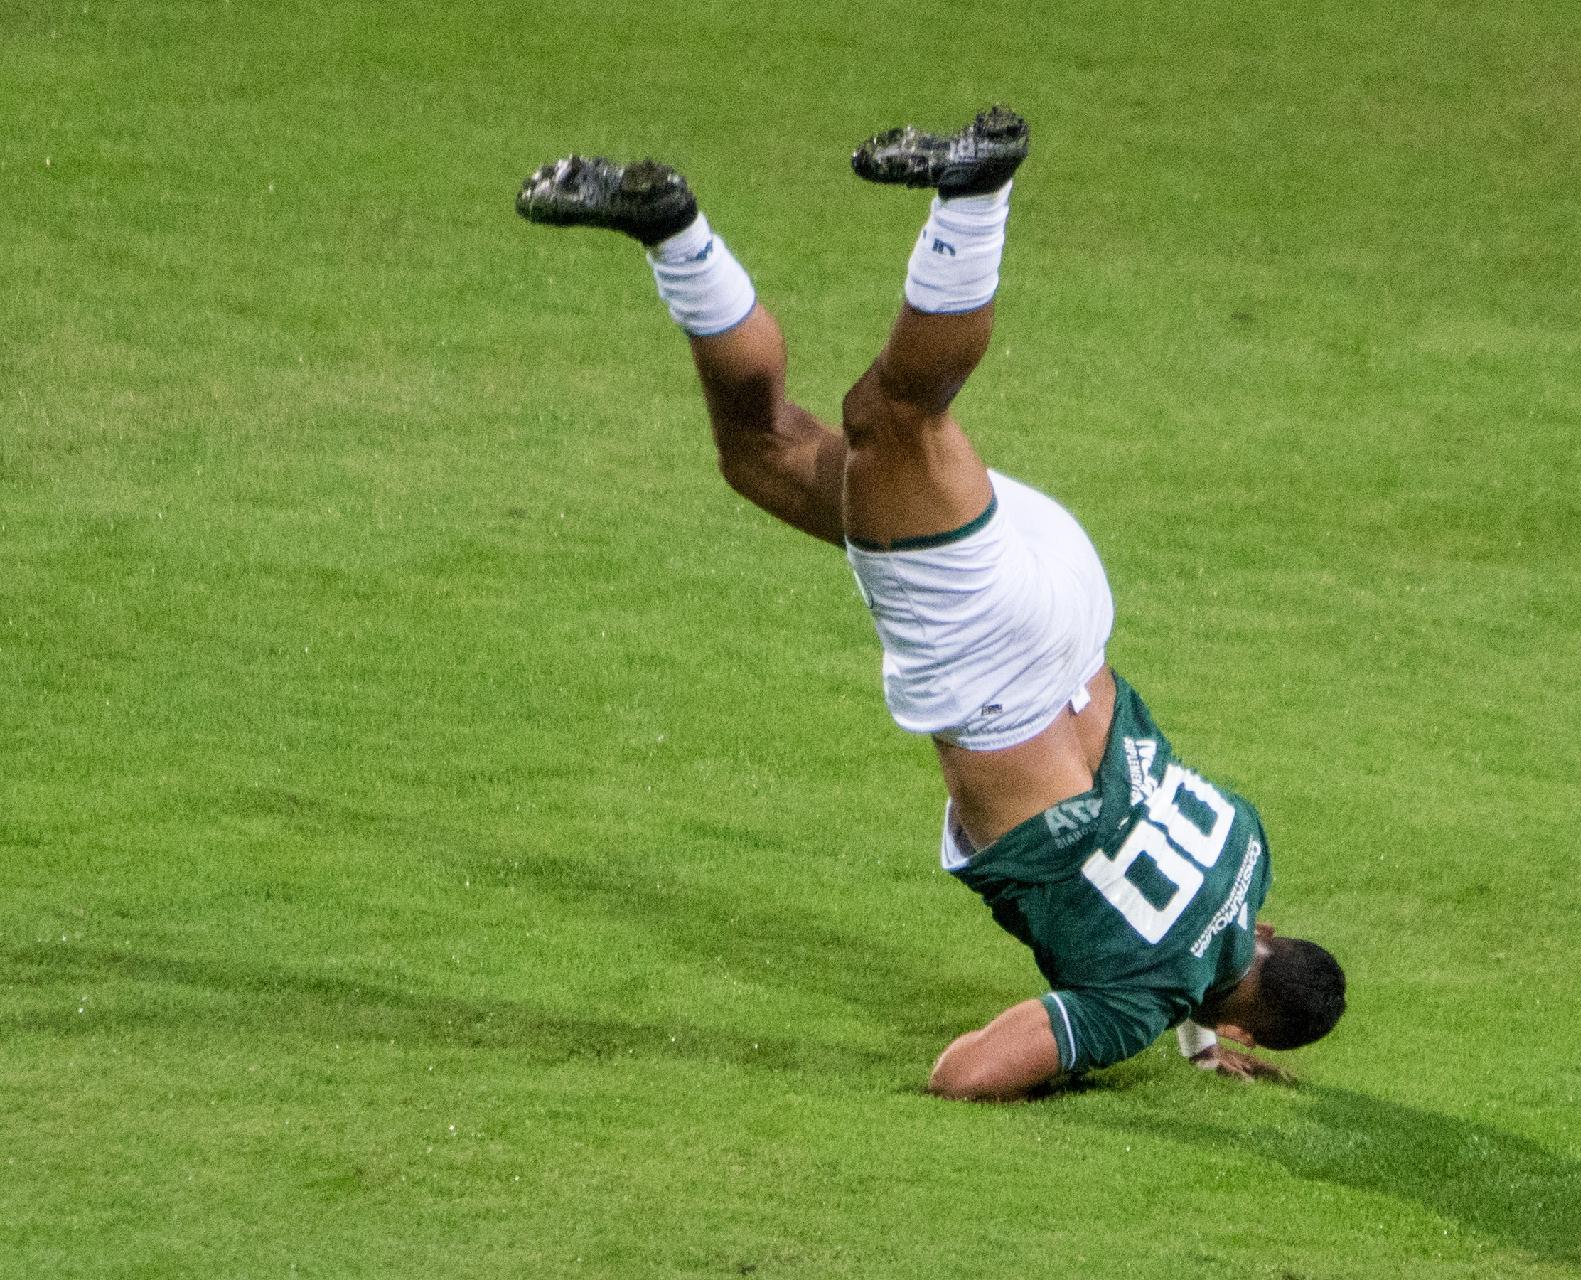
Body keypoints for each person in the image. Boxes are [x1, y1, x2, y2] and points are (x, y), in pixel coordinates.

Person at [515, 106, 1346, 1101]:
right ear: (1242, 1015)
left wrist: (1198, 1030)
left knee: (766, 454)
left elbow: (1214, 934)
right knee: (895, 414)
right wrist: (1150, 1019)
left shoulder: (1248, 847)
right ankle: (977, 191)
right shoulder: (1143, 993)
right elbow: (964, 1073)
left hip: (1069, 604)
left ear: (1271, 931)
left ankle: (670, 224)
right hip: (994, 660)